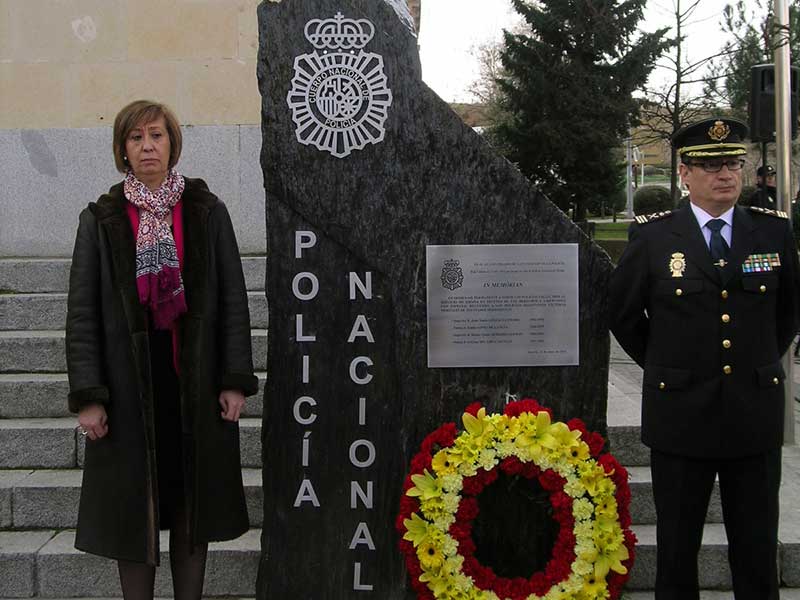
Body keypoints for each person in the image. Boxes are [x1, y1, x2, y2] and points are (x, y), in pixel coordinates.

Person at [65, 100, 258, 600]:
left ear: (172, 143)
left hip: (192, 386)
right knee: (135, 515)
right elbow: (82, 313)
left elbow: (233, 299)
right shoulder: (101, 218)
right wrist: (89, 395)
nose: (147, 146)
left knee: (192, 513)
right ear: (122, 150)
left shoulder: (206, 212)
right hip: (128, 391)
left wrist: (234, 381)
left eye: (156, 135)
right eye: (136, 138)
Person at [609, 117, 800, 599]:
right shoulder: (654, 238)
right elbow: (626, 315)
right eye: (711, 165)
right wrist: (668, 364)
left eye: (733, 164)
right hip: (680, 414)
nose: (726, 174)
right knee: (677, 548)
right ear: (685, 174)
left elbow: (788, 313)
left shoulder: (773, 234)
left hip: (752, 414)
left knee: (755, 546)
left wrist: (759, 362)